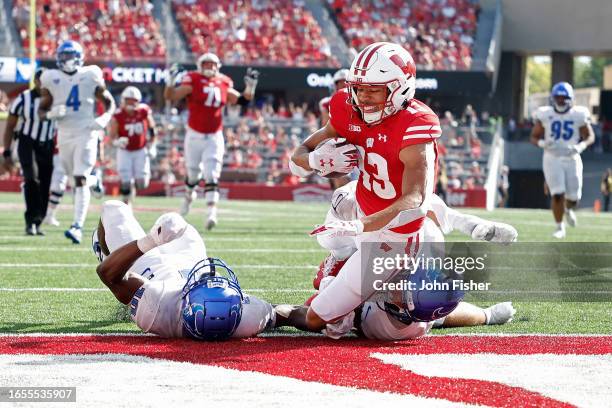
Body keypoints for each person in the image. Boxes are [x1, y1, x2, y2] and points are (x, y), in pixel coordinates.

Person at [290, 42, 441, 331]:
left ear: (400, 88)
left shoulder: (416, 124)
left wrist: (361, 227)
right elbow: (297, 158)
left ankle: (484, 315)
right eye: (358, 88)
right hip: (358, 202)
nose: (363, 97)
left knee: (323, 320)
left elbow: (415, 199)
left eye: (373, 89)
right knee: (340, 206)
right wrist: (314, 159)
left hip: (395, 235)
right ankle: (340, 260)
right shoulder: (348, 109)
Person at [297, 180, 517, 340]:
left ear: (402, 308)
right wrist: (486, 315)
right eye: (405, 284)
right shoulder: (429, 248)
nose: (398, 287)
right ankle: (488, 314)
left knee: (321, 294)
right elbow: (445, 315)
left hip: (371, 299)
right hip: (400, 257)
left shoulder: (387, 326)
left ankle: (341, 256)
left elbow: (316, 317)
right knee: (419, 220)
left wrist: (339, 312)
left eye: (402, 294)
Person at [92, 201, 276, 340]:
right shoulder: (247, 318)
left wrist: (151, 241)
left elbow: (108, 275)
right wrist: (305, 316)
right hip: (191, 259)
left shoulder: (158, 308)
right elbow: (290, 314)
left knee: (113, 208)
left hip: (148, 265)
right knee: (174, 220)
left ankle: (107, 252)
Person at [164, 54, 259, 230]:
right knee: (193, 174)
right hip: (194, 134)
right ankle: (188, 196)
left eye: (213, 63)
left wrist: (250, 87)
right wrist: (170, 81)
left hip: (214, 135)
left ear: (218, 66)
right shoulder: (192, 79)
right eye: (206, 63)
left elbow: (242, 100)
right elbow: (171, 96)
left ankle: (211, 213)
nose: (209, 66)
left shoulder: (223, 82)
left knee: (212, 173)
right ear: (200, 65)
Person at [38, 40, 116, 244]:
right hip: (64, 134)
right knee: (75, 181)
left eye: (70, 56)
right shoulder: (50, 77)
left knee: (79, 178)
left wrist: (104, 119)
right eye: (63, 56)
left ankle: (77, 226)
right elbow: (41, 112)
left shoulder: (90, 74)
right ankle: (95, 180)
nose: (67, 60)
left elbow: (109, 102)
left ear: (79, 57)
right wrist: (51, 114)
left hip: (86, 131)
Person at [530, 82, 595, 239]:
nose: (560, 100)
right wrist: (542, 143)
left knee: (574, 198)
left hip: (572, 157)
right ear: (553, 98)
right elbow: (533, 137)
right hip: (552, 157)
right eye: (558, 97)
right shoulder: (545, 114)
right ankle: (559, 227)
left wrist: (581, 146)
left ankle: (568, 209)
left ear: (570, 98)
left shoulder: (578, 114)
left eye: (563, 97)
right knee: (557, 194)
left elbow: (590, 136)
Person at [2, 67, 56, 235]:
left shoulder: (57, 98)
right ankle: (29, 220)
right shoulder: (23, 99)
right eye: (42, 80)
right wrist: (7, 151)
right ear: (36, 81)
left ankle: (38, 221)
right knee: (31, 179)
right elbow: (10, 126)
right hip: (27, 142)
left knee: (45, 183)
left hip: (47, 144)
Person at [108, 86, 157, 205]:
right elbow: (111, 137)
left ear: (138, 101)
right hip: (125, 151)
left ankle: (132, 189)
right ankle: (126, 204)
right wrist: (116, 142)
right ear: (123, 100)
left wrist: (153, 145)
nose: (131, 103)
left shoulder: (144, 111)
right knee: (125, 181)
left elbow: (152, 129)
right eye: (128, 100)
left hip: (140, 150)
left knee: (142, 183)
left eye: (133, 100)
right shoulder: (118, 115)